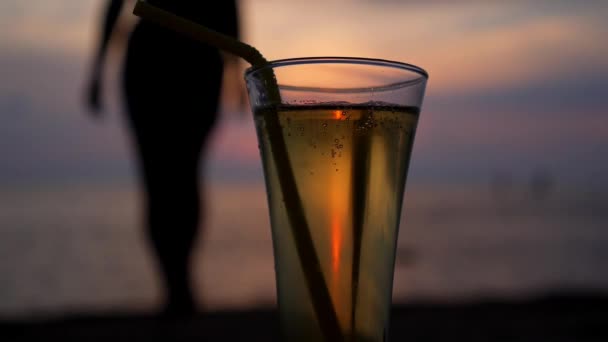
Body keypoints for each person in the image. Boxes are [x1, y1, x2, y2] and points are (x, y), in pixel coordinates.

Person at [85, 0, 241, 315]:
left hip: (196, 62)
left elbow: (228, 8)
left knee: (180, 179)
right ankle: (175, 284)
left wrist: (234, 72)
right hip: (156, 60)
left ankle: (179, 283)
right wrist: (97, 69)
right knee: (161, 181)